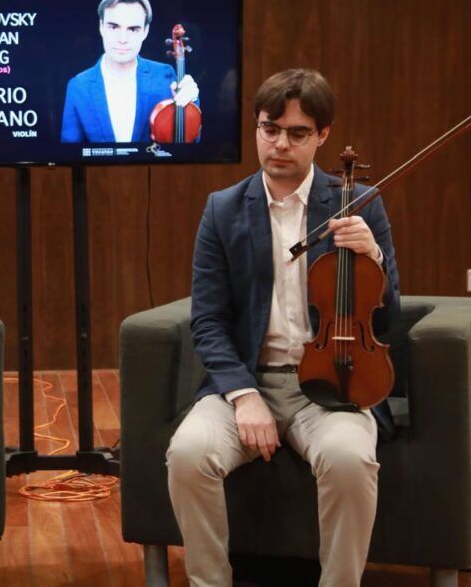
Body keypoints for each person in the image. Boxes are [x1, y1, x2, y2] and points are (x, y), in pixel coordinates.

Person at [166, 69, 400, 586]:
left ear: (322, 135)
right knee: (187, 454)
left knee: (348, 459)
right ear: (257, 127)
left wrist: (373, 257)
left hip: (334, 382)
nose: (280, 144)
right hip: (247, 382)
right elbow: (208, 320)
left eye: (297, 133)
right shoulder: (223, 209)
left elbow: (387, 319)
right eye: (269, 129)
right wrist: (243, 394)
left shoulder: (360, 204)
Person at [60, 0, 199, 144]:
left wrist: (191, 102)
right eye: (114, 27)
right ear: (101, 27)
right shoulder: (78, 86)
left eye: (133, 29)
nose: (122, 39)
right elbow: (70, 152)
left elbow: (189, 145)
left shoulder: (165, 76)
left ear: (145, 31)